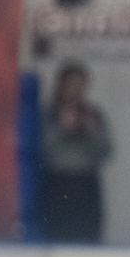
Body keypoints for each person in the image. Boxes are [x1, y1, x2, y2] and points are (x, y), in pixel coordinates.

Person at [38, 60, 113, 243]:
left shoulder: (94, 114)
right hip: (56, 184)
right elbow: (39, 151)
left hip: (85, 185)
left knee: (87, 240)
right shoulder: (47, 115)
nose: (76, 90)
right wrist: (61, 130)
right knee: (55, 239)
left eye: (81, 85)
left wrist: (91, 133)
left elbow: (107, 151)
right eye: (72, 85)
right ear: (61, 86)